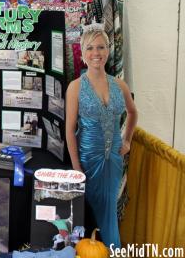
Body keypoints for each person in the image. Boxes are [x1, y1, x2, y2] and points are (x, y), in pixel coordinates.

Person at [65, 25, 137, 248]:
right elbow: (69, 130)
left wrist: (127, 140)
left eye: (101, 47)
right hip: (87, 159)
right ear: (83, 53)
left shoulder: (120, 85)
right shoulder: (75, 87)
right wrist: (76, 166)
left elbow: (133, 113)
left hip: (114, 159)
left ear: (108, 50)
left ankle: (108, 249)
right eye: (90, 48)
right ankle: (102, 249)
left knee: (108, 208)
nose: (96, 53)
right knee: (89, 211)